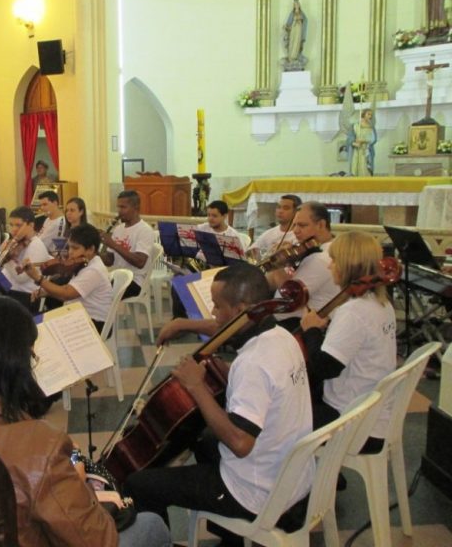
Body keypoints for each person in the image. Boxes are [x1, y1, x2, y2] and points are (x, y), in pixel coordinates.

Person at [0, 295, 171, 547]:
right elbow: (98, 540)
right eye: (30, 355)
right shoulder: (41, 447)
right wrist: (82, 482)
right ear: (14, 364)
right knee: (152, 525)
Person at [125, 264, 313, 546]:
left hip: (256, 493)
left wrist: (196, 387)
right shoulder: (283, 337)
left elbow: (240, 443)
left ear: (240, 310)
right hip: (293, 476)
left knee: (139, 485)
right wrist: (219, 364)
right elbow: (264, 382)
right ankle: (231, 537)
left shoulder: (253, 362)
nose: (212, 312)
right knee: (204, 440)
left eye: (216, 306)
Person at [300, 231, 396, 451]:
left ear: (347, 266)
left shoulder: (354, 311)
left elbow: (325, 368)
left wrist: (311, 330)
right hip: (374, 415)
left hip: (351, 421)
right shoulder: (382, 303)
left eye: (334, 260)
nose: (329, 266)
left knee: (281, 415)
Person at [24, 223, 113, 333]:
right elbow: (70, 291)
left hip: (93, 322)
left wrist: (38, 278)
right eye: (69, 247)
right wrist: (47, 292)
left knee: (36, 328)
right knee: (33, 323)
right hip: (76, 315)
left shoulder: (94, 270)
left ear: (91, 249)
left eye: (75, 248)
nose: (70, 252)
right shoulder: (83, 263)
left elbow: (66, 294)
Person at [268, 201, 340, 332]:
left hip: (299, 328)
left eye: (302, 225)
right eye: (294, 225)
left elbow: (283, 302)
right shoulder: (333, 246)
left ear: (321, 224)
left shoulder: (321, 258)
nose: (295, 231)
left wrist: (277, 266)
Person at [0, 206, 51, 313]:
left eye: (18, 225)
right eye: (11, 225)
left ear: (31, 225)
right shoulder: (16, 242)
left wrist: (6, 257)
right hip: (9, 293)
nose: (13, 229)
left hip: (24, 297)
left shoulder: (36, 245)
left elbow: (21, 278)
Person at [101, 190, 155, 299]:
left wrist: (113, 245)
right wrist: (92, 252)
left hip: (135, 281)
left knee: (100, 296)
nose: (119, 211)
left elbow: (140, 262)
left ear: (136, 208)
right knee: (92, 287)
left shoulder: (145, 230)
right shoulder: (118, 229)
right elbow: (109, 261)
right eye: (118, 207)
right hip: (117, 277)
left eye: (123, 207)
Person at [247, 194, 301, 262]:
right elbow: (251, 253)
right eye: (278, 207)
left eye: (286, 208)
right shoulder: (269, 233)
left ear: (296, 212)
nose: (280, 211)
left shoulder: (300, 234)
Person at [346, 109, 377, 177]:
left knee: (366, 170)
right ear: (363, 114)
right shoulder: (355, 126)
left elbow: (374, 139)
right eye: (368, 114)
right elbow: (350, 139)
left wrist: (363, 140)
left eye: (371, 115)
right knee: (355, 168)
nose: (370, 116)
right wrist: (354, 143)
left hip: (367, 151)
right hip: (357, 151)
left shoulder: (371, 127)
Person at [37, 190, 67, 254]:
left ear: (55, 203)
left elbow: (41, 244)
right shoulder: (48, 219)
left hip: (51, 256)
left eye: (45, 204)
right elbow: (39, 236)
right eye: (41, 205)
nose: (42, 208)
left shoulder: (59, 223)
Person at [282, 0, 307, 71]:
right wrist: (286, 26)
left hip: (299, 31)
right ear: (294, 6)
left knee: (297, 43)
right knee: (292, 42)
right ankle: (291, 56)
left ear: (299, 5)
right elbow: (289, 22)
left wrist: (301, 20)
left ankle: (296, 56)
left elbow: (305, 20)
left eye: (297, 4)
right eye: (295, 4)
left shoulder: (301, 13)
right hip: (293, 30)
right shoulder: (292, 13)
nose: (296, 6)